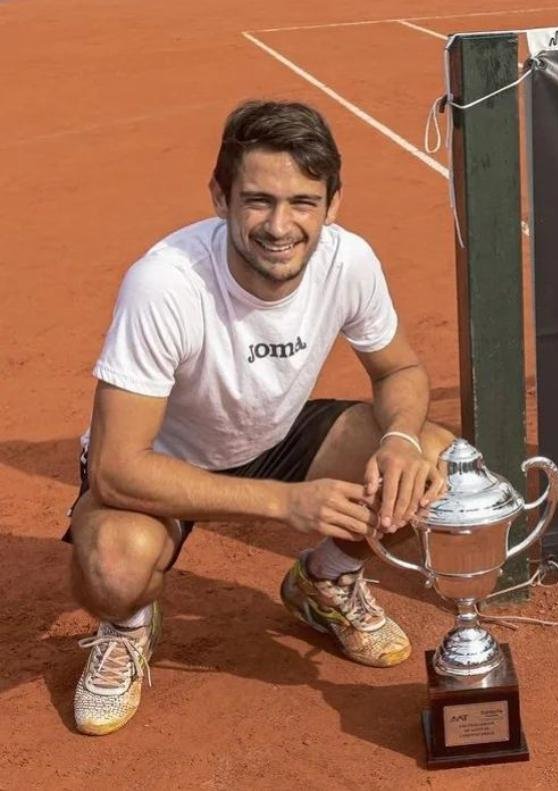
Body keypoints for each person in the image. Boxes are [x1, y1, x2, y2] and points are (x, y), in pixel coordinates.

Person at [63, 99, 454, 736]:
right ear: (221, 198)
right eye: (258, 200)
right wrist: (285, 503)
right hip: (163, 461)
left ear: (333, 203)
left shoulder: (347, 261)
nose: (280, 225)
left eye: (302, 202)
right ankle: (127, 627)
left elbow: (400, 372)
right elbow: (115, 470)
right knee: (115, 567)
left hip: (274, 433)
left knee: (435, 474)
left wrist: (402, 439)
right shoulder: (165, 284)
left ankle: (325, 582)